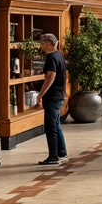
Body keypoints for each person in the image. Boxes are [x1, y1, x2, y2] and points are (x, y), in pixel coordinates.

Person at [36, 32, 68, 165]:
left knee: (50, 127)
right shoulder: (59, 55)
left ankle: (53, 156)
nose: (41, 45)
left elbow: (51, 76)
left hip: (52, 96)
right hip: (59, 94)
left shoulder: (51, 57)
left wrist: (41, 94)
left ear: (49, 44)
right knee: (56, 124)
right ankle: (61, 151)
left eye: (42, 43)